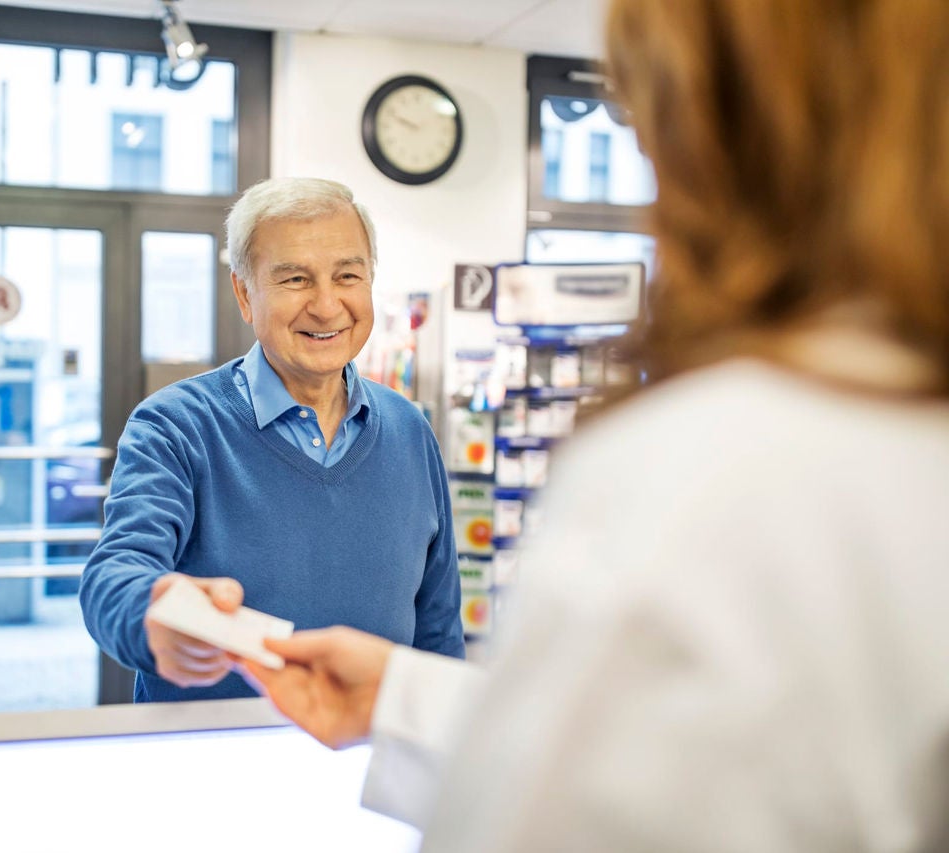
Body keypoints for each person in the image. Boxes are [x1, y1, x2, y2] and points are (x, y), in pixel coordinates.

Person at [240, 1, 949, 850]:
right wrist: (409, 697)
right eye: (294, 279)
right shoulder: (891, 434)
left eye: (642, 115)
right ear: (245, 294)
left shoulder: (709, 465)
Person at [79, 177, 464, 703]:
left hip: (366, 766)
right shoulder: (176, 425)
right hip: (213, 766)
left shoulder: (409, 430)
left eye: (348, 275)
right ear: (244, 292)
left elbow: (438, 631)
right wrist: (152, 611)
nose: (327, 306)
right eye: (296, 280)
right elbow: (116, 571)